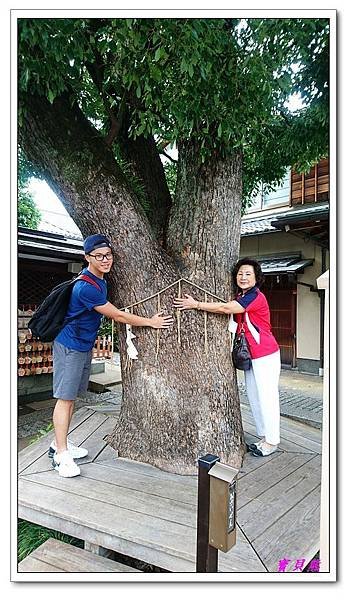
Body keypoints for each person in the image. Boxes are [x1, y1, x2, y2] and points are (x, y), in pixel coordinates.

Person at [50, 234, 174, 477]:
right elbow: (117, 315)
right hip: (70, 345)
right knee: (64, 398)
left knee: (72, 396)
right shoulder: (86, 287)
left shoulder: (100, 280)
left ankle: (58, 442)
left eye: (108, 255)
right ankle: (60, 455)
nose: (106, 260)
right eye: (99, 256)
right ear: (87, 258)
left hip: (82, 345)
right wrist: (151, 322)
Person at [174, 257, 281, 457]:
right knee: (255, 396)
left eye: (248, 274)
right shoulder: (242, 294)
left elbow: (226, 309)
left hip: (265, 353)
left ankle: (272, 441)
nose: (243, 277)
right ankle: (264, 436)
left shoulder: (255, 296)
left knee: (267, 397)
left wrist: (195, 304)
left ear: (257, 278)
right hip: (252, 354)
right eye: (240, 273)